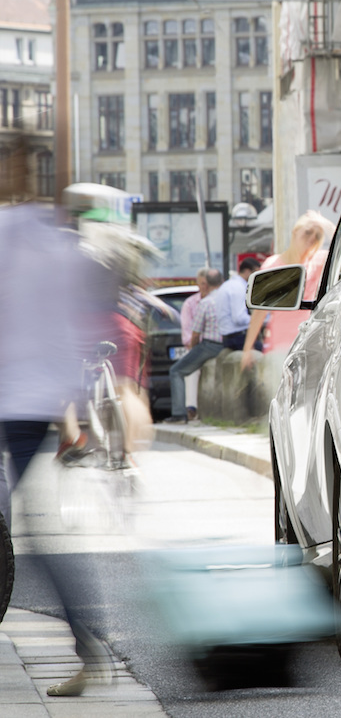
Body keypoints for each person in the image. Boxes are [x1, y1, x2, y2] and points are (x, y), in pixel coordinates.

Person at [0, 137, 113, 696]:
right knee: (31, 537)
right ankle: (87, 647)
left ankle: (89, 647)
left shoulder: (7, 236)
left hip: (14, 402)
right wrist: (71, 417)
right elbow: (78, 338)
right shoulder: (66, 249)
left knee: (18, 528)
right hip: (36, 405)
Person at [240, 211, 333, 370]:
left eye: (317, 236)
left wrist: (325, 225)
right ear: (295, 232)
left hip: (311, 346)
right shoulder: (274, 265)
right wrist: (247, 349)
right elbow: (259, 311)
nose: (312, 239)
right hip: (281, 347)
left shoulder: (320, 261)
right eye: (308, 232)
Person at [164, 269, 225, 424]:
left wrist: (194, 347)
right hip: (229, 343)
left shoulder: (205, 303)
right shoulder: (228, 298)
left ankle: (179, 414)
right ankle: (191, 409)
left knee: (176, 371)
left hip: (209, 345)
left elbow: (195, 334)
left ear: (206, 284)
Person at [178, 268, 210, 421]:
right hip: (195, 346)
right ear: (198, 283)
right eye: (202, 283)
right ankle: (191, 409)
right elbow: (188, 332)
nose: (205, 286)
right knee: (190, 370)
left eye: (208, 283)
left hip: (211, 344)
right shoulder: (190, 304)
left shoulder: (217, 300)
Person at [213, 258, 263, 352]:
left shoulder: (229, 284)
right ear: (248, 271)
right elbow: (239, 318)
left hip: (228, 337)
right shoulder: (239, 287)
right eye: (256, 273)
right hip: (238, 338)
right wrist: (259, 319)